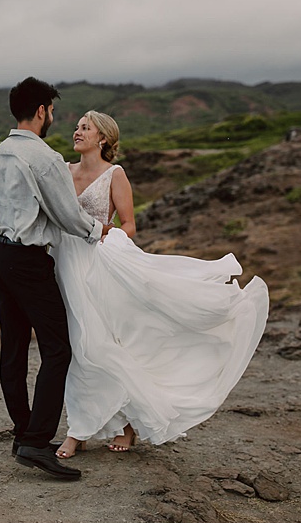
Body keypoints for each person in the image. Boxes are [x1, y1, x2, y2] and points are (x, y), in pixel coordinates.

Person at [51, 111, 269, 459]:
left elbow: (129, 225)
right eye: (77, 127)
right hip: (64, 262)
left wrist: (96, 232)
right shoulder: (62, 170)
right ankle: (118, 424)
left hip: (98, 262)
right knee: (80, 344)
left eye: (85, 128)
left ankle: (80, 431)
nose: (76, 132)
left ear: (103, 138)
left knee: (94, 342)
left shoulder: (115, 175)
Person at [0, 77, 109, 482]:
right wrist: (97, 232)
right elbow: (66, 213)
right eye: (52, 111)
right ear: (41, 111)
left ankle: (24, 434)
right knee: (58, 349)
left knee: (14, 350)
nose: (54, 117)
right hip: (27, 262)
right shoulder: (44, 158)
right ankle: (37, 442)